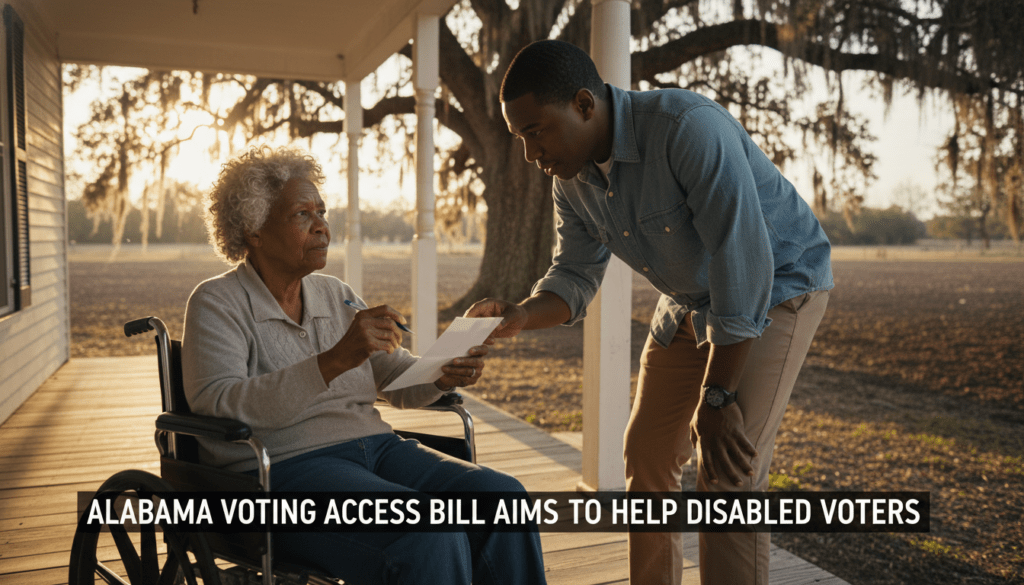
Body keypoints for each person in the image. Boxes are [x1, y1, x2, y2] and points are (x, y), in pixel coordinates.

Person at [465, 40, 833, 585]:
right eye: (519, 137)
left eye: (535, 131)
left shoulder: (686, 128)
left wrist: (718, 398)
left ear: (584, 105)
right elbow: (573, 277)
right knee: (647, 453)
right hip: (690, 300)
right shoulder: (571, 179)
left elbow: (742, 261)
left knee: (728, 474)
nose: (529, 154)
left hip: (776, 285)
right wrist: (520, 314)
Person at [182, 145, 546, 585]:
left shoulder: (336, 294)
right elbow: (217, 404)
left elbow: (395, 379)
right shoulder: (217, 302)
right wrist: (334, 360)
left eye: (322, 211)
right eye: (302, 215)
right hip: (282, 472)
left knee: (503, 498)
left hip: (377, 450)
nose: (322, 226)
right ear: (253, 230)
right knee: (428, 530)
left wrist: (441, 371)